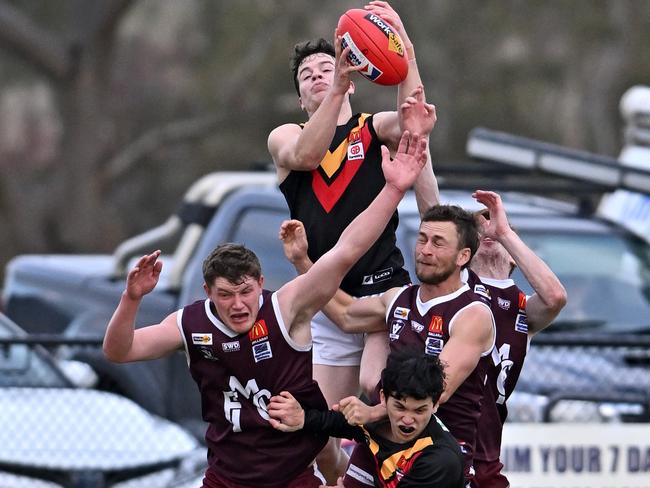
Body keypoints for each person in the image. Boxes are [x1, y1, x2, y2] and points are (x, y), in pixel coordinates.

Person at [102, 130, 428, 488]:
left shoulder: (288, 308)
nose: (238, 304)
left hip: (292, 476)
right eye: (225, 295)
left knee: (330, 457)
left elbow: (345, 251)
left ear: (260, 283)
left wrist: (394, 189)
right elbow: (119, 350)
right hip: (227, 478)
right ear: (207, 291)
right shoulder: (191, 324)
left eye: (245, 291)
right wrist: (132, 298)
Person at [267, 2, 437, 480]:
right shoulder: (286, 136)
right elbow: (306, 154)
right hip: (325, 299)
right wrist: (338, 83)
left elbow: (413, 117)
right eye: (307, 74)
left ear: (356, 73)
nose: (319, 75)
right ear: (299, 97)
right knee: (318, 427)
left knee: (373, 384)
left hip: (382, 287)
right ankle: (344, 475)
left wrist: (403, 44)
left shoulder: (372, 128)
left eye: (328, 66)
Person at [281, 204, 496, 484]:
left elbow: (436, 393)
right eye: (422, 239)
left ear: (463, 256)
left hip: (436, 451)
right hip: (382, 437)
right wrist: (302, 262)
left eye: (438, 243)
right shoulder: (399, 298)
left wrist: (370, 412)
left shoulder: (472, 315)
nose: (425, 250)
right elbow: (344, 315)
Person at [467, 190, 567, 488]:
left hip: (485, 450)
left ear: (514, 255)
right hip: (440, 440)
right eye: (477, 229)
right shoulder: (454, 291)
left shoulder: (522, 308)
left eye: (493, 228)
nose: (487, 230)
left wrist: (505, 233)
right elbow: (431, 214)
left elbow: (555, 297)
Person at [268, 349, 465, 488]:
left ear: (436, 404)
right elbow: (344, 423)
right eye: (399, 407)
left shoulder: (439, 461)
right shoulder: (377, 419)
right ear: (382, 398)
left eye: (420, 411)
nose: (407, 420)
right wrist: (302, 418)